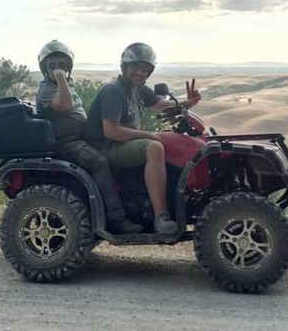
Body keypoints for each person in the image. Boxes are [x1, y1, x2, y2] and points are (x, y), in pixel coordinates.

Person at [84, 42, 200, 234]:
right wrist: (147, 135)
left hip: (121, 143)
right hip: (105, 147)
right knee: (154, 147)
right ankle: (161, 217)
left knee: (165, 141)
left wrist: (188, 102)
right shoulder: (114, 90)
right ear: (124, 67)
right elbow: (111, 131)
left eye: (145, 70)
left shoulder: (138, 89)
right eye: (136, 68)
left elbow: (163, 105)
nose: (140, 73)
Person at [35, 40, 143, 234]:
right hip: (65, 144)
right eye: (52, 66)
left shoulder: (67, 84)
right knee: (99, 161)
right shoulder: (47, 88)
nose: (57, 69)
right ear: (44, 68)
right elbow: (66, 106)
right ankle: (117, 219)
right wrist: (60, 78)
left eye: (62, 65)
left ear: (69, 67)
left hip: (80, 140)